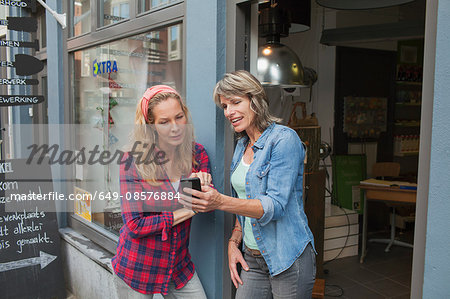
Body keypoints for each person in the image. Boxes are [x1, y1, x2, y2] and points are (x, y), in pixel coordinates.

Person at [180, 70, 316, 298]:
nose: (229, 112)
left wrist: (219, 201)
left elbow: (274, 206)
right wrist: (234, 241)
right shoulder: (242, 146)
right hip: (252, 257)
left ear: (255, 100)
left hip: (287, 257)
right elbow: (244, 201)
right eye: (224, 106)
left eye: (235, 102)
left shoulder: (284, 139)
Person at [111, 85, 211, 298]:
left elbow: (207, 200)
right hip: (139, 267)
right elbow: (134, 225)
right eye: (164, 122)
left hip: (179, 267)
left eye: (179, 117)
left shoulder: (196, 154)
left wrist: (203, 184)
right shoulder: (133, 161)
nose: (175, 127)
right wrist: (189, 210)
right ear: (151, 126)